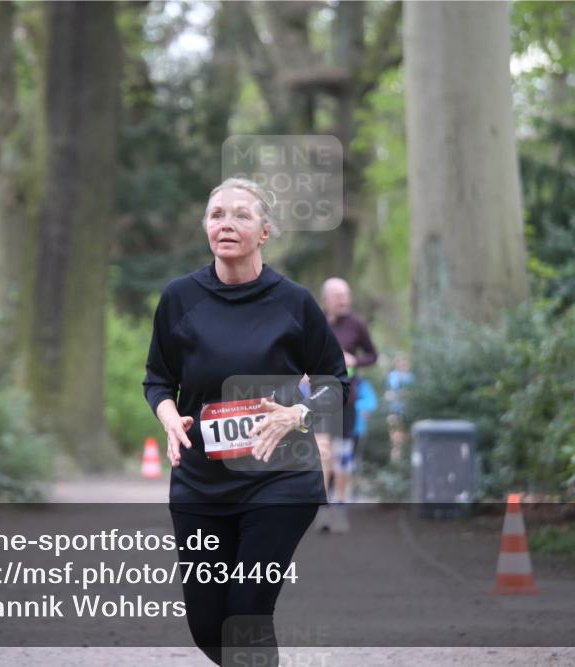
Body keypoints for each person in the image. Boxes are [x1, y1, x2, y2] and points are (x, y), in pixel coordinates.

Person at [143, 177, 349, 666]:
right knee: (207, 626)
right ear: (206, 229)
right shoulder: (179, 298)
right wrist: (170, 417)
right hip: (200, 483)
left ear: (265, 232)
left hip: (278, 479)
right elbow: (157, 379)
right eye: (217, 215)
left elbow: (336, 383)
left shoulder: (293, 302)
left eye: (241, 215)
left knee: (246, 613)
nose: (226, 223)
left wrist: (298, 412)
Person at [313, 277, 377, 532]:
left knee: (342, 457)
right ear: (325, 299)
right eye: (338, 296)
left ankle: (340, 508)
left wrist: (355, 360)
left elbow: (373, 355)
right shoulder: (314, 322)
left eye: (346, 295)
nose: (344, 301)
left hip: (346, 400)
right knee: (323, 455)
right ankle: (323, 510)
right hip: (318, 400)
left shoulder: (356, 324)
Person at [385, 354, 414, 463]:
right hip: (394, 411)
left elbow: (412, 394)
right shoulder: (391, 376)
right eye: (400, 362)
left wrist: (399, 395)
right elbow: (387, 394)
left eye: (404, 362)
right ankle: (396, 466)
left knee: (408, 439)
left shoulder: (411, 377)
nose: (402, 364)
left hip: (408, 412)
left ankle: (406, 465)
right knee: (396, 441)